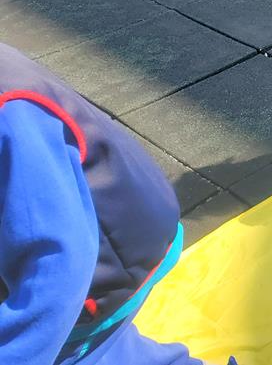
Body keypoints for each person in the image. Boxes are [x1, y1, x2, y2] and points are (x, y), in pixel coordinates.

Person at [0, 43, 235, 365]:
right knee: (107, 348)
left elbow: (58, 272)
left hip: (108, 256)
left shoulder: (11, 117)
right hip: (91, 224)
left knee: (74, 350)